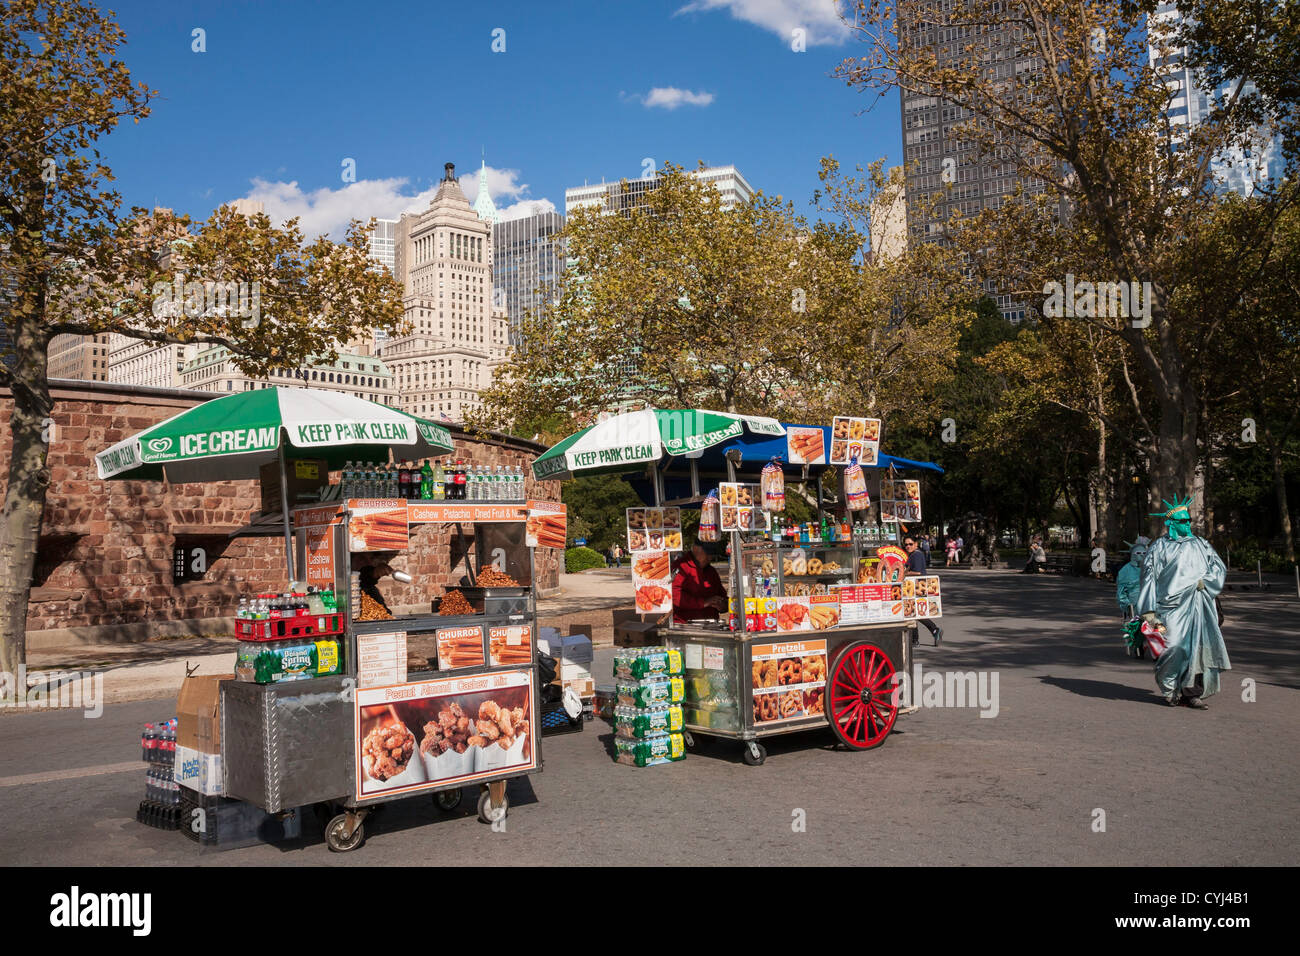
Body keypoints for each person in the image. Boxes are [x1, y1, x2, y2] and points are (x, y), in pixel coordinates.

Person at [1137, 496, 1230, 709]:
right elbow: (1148, 578)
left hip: (1198, 604)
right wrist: (1148, 611)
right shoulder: (1158, 547)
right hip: (1168, 608)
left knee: (1198, 648)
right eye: (1183, 521)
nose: (1188, 524)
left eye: (1188, 520)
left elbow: (1218, 567)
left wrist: (1205, 582)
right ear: (1171, 523)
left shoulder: (1200, 544)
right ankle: (1170, 689)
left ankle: (1192, 693)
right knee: (1172, 646)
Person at [672, 542, 728, 624]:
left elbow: (722, 596)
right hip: (685, 625)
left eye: (712, 554)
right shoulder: (680, 566)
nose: (710, 558)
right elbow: (674, 595)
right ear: (696, 549)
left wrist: (723, 605)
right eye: (707, 554)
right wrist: (703, 602)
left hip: (711, 625)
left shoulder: (711, 571)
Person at [903, 535, 943, 645]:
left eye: (910, 544)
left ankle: (934, 630)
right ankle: (916, 639)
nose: (908, 546)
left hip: (918, 587)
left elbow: (918, 572)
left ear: (915, 544)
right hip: (912, 587)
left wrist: (905, 572)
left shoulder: (916, 555)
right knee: (913, 613)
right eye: (906, 544)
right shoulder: (912, 555)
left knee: (914, 613)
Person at [1115, 536, 1149, 615]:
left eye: (1144, 553)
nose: (1141, 555)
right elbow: (1121, 592)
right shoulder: (1125, 571)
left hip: (1150, 607)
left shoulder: (1150, 568)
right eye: (1138, 553)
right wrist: (1127, 605)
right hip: (1134, 607)